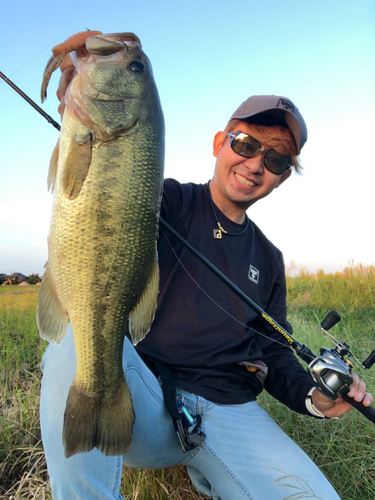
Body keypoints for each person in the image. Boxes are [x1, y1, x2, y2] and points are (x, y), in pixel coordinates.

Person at [40, 64, 373, 500]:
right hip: (146, 402)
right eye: (246, 143)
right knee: (76, 339)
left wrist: (317, 398)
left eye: (274, 159)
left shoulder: (269, 260)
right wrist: (82, 106)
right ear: (221, 143)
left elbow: (274, 348)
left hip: (233, 414)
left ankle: (213, 476)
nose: (255, 164)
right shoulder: (163, 200)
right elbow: (101, 192)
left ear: (283, 176)